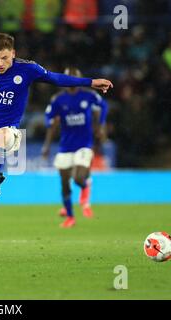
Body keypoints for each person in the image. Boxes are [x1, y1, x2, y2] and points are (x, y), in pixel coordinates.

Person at [0, 33, 113, 213]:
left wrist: (91, 82)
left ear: (13, 53)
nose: (0, 63)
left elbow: (56, 78)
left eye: (4, 58)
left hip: (7, 130)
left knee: (0, 136)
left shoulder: (28, 69)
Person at [42, 67, 108, 228]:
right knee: (65, 183)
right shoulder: (58, 99)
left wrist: (100, 126)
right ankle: (70, 217)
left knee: (78, 178)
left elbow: (103, 106)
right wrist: (47, 144)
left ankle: (86, 186)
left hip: (84, 144)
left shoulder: (88, 95)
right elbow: (49, 119)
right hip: (65, 146)